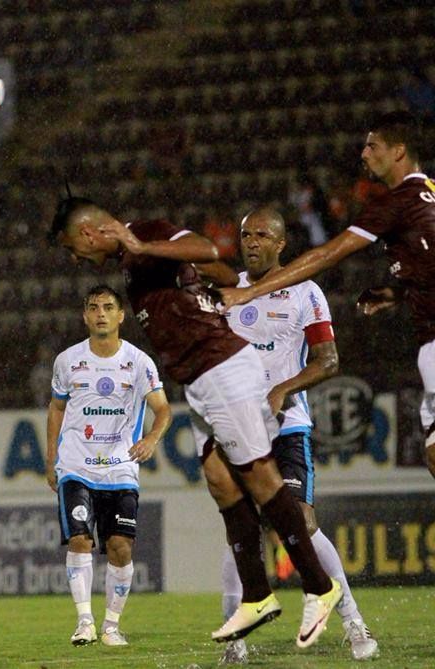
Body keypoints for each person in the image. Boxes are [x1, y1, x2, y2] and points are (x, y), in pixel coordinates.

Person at [48, 196, 342, 649]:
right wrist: (220, 288)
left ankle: (320, 586)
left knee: (261, 478)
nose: (74, 258)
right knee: (220, 479)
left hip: (221, 365)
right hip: (198, 380)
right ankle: (257, 596)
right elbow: (221, 272)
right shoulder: (129, 256)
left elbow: (206, 250)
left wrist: (143, 246)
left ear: (88, 233)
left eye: (72, 247)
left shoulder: (144, 232)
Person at [220, 111, 435, 480]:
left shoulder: (398, 201)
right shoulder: (428, 191)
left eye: (372, 146)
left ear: (399, 152)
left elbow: (326, 255)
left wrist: (251, 292)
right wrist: (400, 291)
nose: (364, 154)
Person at [218, 208, 379, 663]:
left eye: (262, 235)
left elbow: (328, 361)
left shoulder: (306, 293)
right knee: (241, 532)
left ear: (281, 244)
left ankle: (352, 622)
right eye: (245, 234)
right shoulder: (228, 294)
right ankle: (235, 642)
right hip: (241, 429)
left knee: (302, 522)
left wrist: (281, 389)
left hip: (288, 424)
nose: (251, 242)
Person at [47, 284, 171, 647]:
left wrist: (151, 439)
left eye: (108, 307)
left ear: (120, 316)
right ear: (85, 315)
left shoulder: (139, 362)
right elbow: (56, 408)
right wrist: (51, 457)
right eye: (93, 307)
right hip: (76, 465)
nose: (100, 313)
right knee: (80, 540)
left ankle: (111, 626)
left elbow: (163, 409)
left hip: (120, 468)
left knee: (120, 547)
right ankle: (85, 622)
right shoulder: (67, 360)